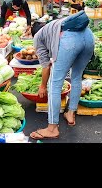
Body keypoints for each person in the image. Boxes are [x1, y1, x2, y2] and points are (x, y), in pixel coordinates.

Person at [30, 11, 94, 140]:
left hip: (70, 41)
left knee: (54, 84)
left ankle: (52, 129)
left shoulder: (37, 37)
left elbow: (46, 65)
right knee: (76, 76)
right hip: (88, 36)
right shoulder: (54, 25)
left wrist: (43, 86)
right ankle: (71, 113)